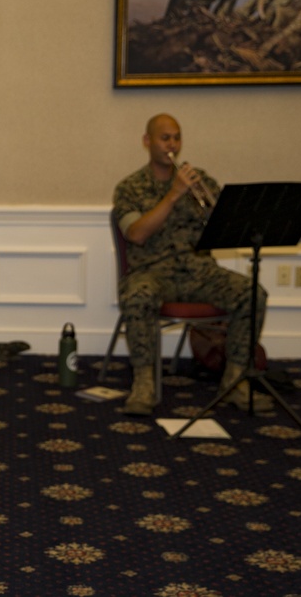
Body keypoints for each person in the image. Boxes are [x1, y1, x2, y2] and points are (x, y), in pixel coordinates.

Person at [111, 114, 271, 416]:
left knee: (253, 294)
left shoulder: (201, 180)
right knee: (137, 297)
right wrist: (174, 195)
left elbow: (224, 227)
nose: (172, 144)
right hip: (153, 272)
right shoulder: (129, 188)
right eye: (165, 138)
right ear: (147, 142)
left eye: (176, 137)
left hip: (200, 272)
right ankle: (144, 383)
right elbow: (137, 234)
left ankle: (235, 382)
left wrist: (214, 206)